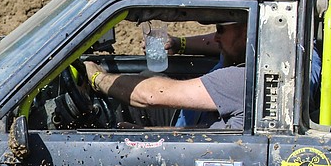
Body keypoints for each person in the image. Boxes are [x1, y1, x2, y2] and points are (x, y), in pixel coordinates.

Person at [83, 21, 248, 130]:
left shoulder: (239, 79)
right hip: (194, 122)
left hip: (194, 139)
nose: (216, 36)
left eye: (220, 29)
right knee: (148, 75)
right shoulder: (246, 53)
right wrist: (179, 44)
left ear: (248, 30)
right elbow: (209, 130)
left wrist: (98, 78)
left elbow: (151, 95)